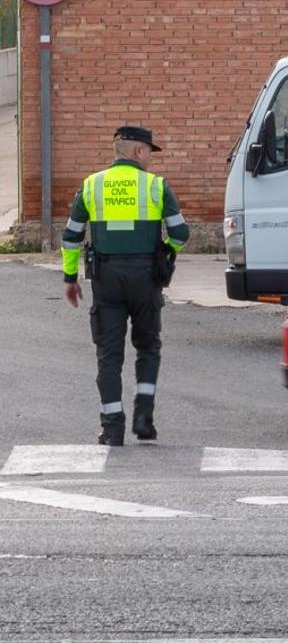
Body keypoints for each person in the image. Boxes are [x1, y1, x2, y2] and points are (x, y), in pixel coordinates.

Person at [61, 126, 190, 446]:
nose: (150, 158)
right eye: (148, 151)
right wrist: (168, 254)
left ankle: (112, 427)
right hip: (145, 278)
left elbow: (71, 237)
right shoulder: (156, 186)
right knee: (147, 347)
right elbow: (180, 233)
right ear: (136, 152)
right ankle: (143, 417)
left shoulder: (91, 185)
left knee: (109, 355)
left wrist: (69, 278)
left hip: (106, 280)